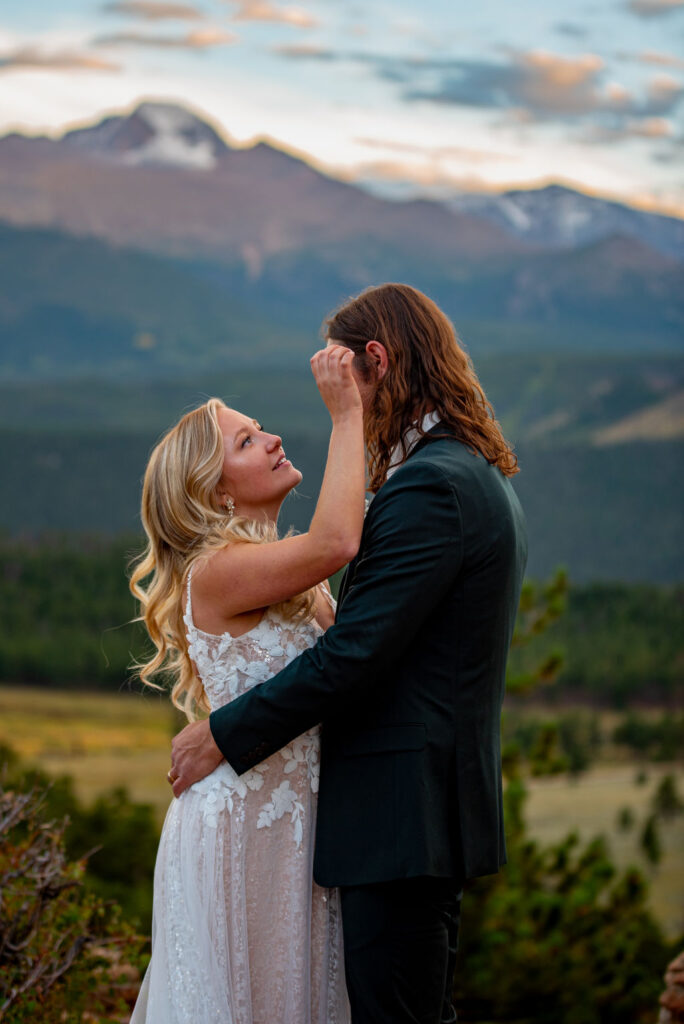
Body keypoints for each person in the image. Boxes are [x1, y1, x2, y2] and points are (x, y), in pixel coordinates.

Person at [170, 283, 528, 1024]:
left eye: (344, 374)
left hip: (394, 823)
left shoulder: (431, 484)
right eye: (247, 438)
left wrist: (224, 732)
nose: (273, 437)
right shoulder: (457, 472)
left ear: (376, 360)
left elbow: (354, 652)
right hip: (342, 826)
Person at [128, 345, 363, 1023]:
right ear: (216, 490)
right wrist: (347, 412)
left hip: (301, 831)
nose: (273, 439)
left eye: (260, 430)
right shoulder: (219, 570)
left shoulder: (285, 573)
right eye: (247, 440)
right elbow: (336, 541)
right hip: (243, 831)